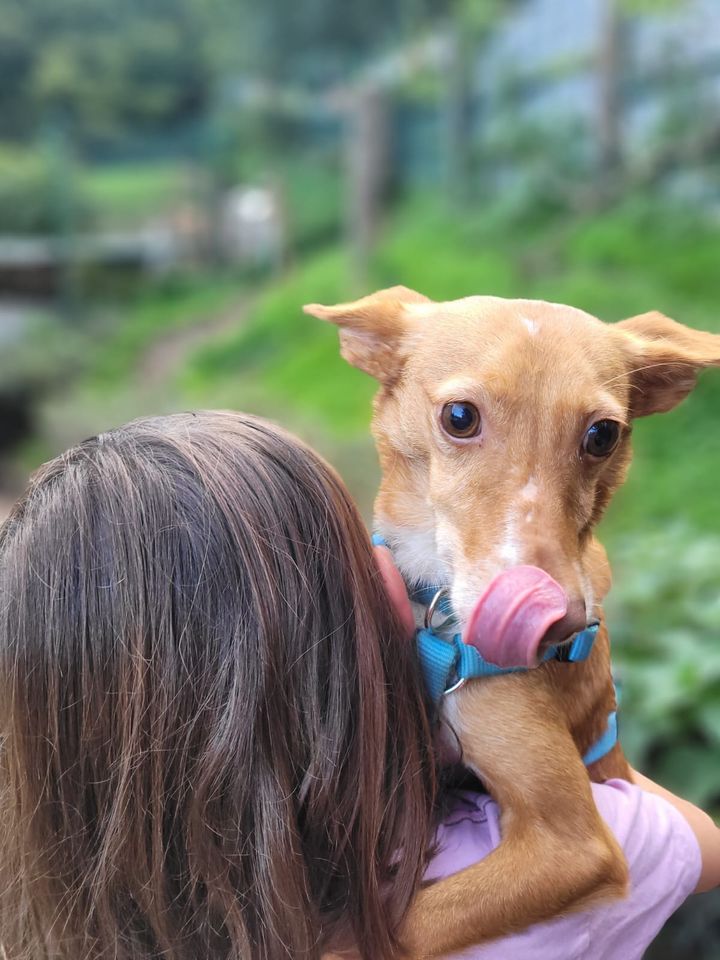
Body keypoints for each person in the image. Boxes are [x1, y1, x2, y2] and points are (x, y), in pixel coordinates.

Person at [0, 411, 716, 960]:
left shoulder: (53, 891)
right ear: (319, 658)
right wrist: (558, 694)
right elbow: (681, 840)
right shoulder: (470, 853)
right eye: (352, 551)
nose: (389, 564)